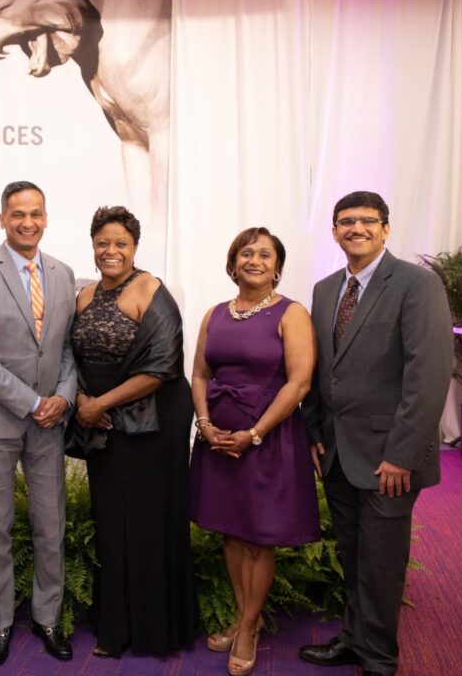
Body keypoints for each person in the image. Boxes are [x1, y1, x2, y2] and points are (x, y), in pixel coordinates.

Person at [299, 191, 452, 676]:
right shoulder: (326, 290)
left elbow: (427, 376)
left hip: (391, 458)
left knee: (382, 563)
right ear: (334, 231)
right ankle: (353, 638)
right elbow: (322, 370)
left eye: (368, 220)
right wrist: (315, 431)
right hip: (338, 451)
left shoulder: (416, 285)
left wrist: (403, 454)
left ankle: (380, 659)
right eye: (346, 221)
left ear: (386, 228)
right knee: (352, 553)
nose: (356, 228)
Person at [0, 180, 77, 667]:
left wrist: (63, 399)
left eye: (36, 213)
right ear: (2, 219)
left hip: (50, 422)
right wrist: (32, 402)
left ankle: (47, 619)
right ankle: (0, 623)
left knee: (51, 526)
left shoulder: (65, 274)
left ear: (46, 218)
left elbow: (69, 348)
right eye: (18, 214)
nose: (28, 222)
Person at [190, 227, 320, 676]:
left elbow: (299, 382)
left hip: (268, 436)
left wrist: (256, 433)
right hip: (218, 436)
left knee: (258, 535)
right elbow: (201, 376)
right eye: (247, 252)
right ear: (234, 261)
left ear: (277, 266)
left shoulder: (292, 313)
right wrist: (205, 425)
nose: (255, 260)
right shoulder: (215, 313)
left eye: (265, 254)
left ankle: (246, 628)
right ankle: (248, 614)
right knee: (230, 529)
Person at [69, 206, 197, 658]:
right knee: (111, 521)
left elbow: (163, 366)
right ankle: (115, 626)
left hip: (152, 423)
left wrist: (100, 403)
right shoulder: (84, 295)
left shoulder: (151, 289)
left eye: (121, 243)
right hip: (102, 425)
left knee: (147, 521)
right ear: (93, 245)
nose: (111, 251)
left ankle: (152, 629)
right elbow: (72, 359)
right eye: (103, 242)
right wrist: (83, 402)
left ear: (135, 247)